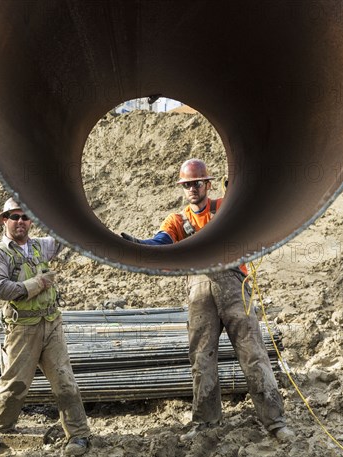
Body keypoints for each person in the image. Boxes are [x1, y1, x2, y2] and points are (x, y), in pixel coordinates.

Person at [121, 159, 295, 443]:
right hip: (199, 294)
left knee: (253, 355)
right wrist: (138, 245)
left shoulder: (224, 208)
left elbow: (248, 210)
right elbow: (161, 241)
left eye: (196, 183)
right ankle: (206, 423)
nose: (191, 189)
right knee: (202, 360)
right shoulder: (177, 221)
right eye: (187, 184)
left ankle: (275, 422)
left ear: (207, 184)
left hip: (234, 289)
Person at [0, 198, 90, 455]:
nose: (20, 222)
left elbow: (64, 237)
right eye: (14, 217)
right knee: (14, 384)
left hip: (51, 323)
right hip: (23, 328)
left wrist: (56, 212)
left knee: (64, 380)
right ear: (4, 220)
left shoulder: (39, 247)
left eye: (26, 217)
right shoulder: (0, 253)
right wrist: (36, 284)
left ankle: (78, 435)